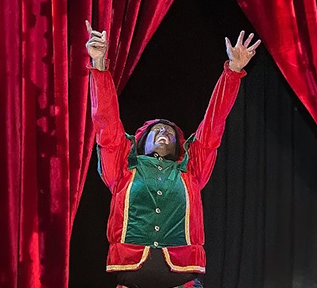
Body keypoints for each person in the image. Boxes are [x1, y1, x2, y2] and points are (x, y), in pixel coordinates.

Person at [85, 21, 260, 288]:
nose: (163, 132)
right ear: (140, 143)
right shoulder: (122, 168)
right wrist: (99, 68)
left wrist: (233, 72)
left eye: (168, 130)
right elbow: (106, 124)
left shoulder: (191, 170)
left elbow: (213, 124)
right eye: (156, 130)